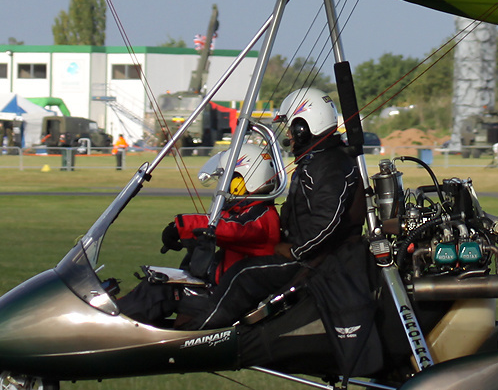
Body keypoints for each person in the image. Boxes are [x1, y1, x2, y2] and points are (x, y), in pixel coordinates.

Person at [182, 87, 363, 331]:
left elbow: (327, 220)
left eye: (291, 126)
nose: (288, 133)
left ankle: (198, 333)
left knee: (243, 275)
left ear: (303, 126)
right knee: (231, 263)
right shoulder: (319, 160)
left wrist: (296, 251)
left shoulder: (328, 164)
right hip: (312, 253)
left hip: (317, 260)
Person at [113, 142, 281, 326]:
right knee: (158, 284)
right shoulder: (249, 211)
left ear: (243, 182)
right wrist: (185, 231)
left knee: (158, 291)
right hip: (217, 289)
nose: (223, 187)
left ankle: (109, 325)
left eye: (228, 179)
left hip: (227, 299)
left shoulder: (262, 217)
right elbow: (220, 221)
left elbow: (231, 229)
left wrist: (182, 225)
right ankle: (115, 321)